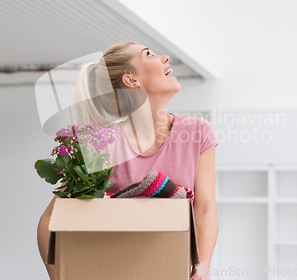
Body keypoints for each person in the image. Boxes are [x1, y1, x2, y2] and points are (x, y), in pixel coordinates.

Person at [37, 41, 219, 280]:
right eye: (149, 54)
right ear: (132, 80)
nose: (165, 58)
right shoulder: (103, 145)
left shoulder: (197, 132)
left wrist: (202, 268)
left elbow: (205, 209)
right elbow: (52, 217)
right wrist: (61, 275)